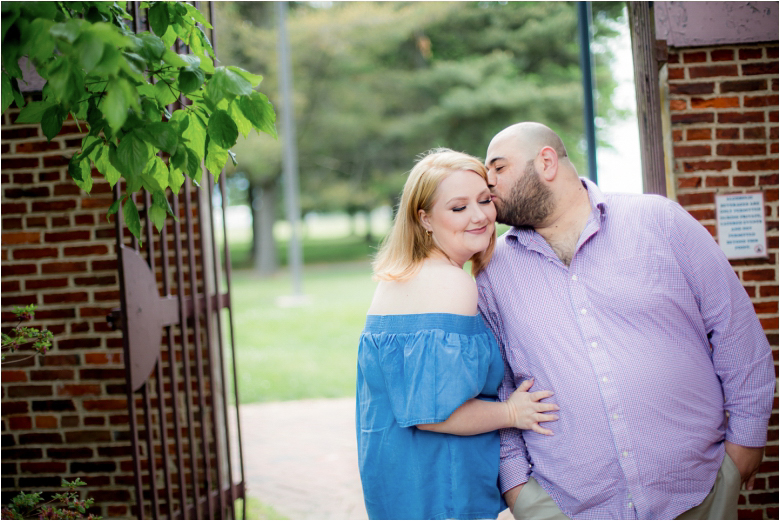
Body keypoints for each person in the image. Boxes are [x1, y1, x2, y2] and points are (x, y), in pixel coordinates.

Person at [477, 122, 775, 520]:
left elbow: (737, 332)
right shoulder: (492, 272)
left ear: (546, 162)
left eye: (498, 168)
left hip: (699, 491)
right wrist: (519, 491)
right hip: (568, 507)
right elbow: (498, 387)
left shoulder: (659, 221)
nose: (487, 182)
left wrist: (744, 446)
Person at [356, 148, 560, 520]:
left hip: (401, 483)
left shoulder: (399, 278)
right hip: (439, 488)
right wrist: (512, 412)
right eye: (458, 207)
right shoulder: (450, 284)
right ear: (425, 219)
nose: (480, 215)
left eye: (485, 200)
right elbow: (433, 414)